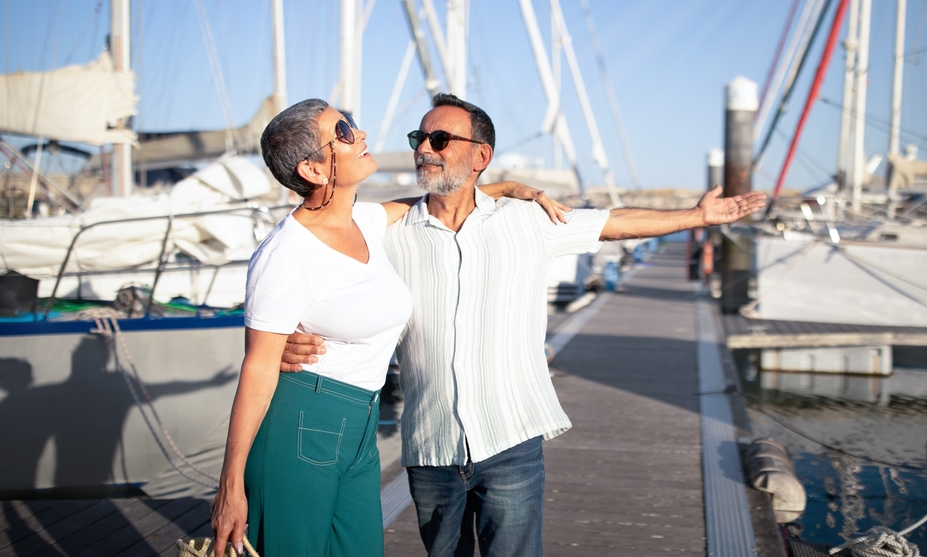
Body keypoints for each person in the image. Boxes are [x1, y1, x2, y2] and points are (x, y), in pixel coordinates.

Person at [281, 93, 767, 557]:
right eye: (419, 138)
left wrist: (697, 216)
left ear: (481, 155)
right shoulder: (389, 230)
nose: (425, 149)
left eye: (440, 140)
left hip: (510, 440)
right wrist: (283, 335)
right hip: (431, 447)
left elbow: (616, 223)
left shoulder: (528, 221)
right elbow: (317, 266)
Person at [210, 98, 568, 557]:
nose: (359, 133)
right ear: (313, 170)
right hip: (303, 421)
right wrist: (230, 485)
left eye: (352, 124)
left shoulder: (365, 220)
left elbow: (445, 195)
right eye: (342, 132)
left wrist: (513, 188)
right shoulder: (284, 254)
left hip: (362, 425)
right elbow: (258, 368)